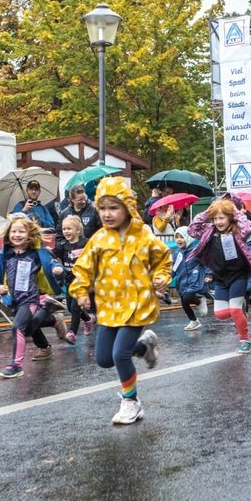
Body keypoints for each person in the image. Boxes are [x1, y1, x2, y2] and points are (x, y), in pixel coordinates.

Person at [69, 177, 168, 425]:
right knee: (104, 359)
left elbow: (162, 258)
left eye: (114, 207)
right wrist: (81, 290)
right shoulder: (99, 239)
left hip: (138, 305)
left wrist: (161, 277)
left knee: (120, 355)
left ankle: (131, 403)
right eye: (102, 208)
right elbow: (83, 268)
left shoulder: (143, 237)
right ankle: (144, 347)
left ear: (128, 207)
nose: (107, 214)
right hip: (109, 307)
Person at [0, 216, 66, 376]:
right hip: (14, 300)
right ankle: (49, 312)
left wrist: (57, 269)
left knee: (17, 327)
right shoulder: (3, 254)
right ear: (8, 233)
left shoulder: (36, 253)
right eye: (13, 231)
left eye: (21, 231)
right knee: (28, 329)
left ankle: (15, 365)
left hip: (30, 298)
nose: (17, 235)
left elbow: (53, 263)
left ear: (30, 234)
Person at [188, 196, 251, 354]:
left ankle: (245, 340)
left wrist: (235, 211)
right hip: (220, 278)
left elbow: (249, 228)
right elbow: (192, 229)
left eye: (222, 218)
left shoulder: (238, 230)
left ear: (230, 217)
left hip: (238, 275)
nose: (218, 222)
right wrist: (208, 212)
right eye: (215, 218)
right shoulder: (209, 231)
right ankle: (242, 306)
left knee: (235, 310)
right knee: (221, 314)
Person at [51, 215, 94, 340]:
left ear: (78, 230)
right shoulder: (62, 245)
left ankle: (72, 334)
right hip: (69, 281)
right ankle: (88, 319)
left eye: (69, 229)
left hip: (82, 281)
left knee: (75, 307)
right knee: (70, 308)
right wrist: (46, 250)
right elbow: (52, 256)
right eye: (64, 229)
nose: (66, 232)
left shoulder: (85, 243)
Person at [171, 225, 210, 330]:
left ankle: (200, 300)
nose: (179, 240)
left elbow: (207, 263)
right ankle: (194, 321)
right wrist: (167, 278)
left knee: (187, 297)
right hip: (182, 282)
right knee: (184, 301)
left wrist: (209, 274)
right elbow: (174, 268)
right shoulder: (177, 253)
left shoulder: (196, 251)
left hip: (195, 280)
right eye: (177, 237)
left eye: (181, 237)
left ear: (188, 237)